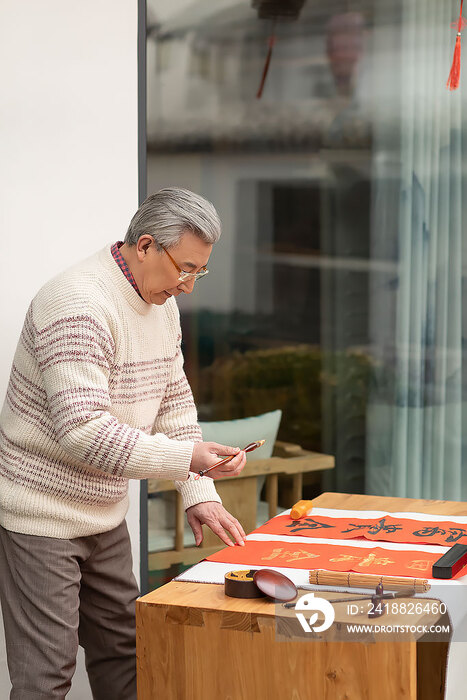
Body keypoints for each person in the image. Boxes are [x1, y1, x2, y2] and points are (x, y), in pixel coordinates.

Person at [0, 187, 247, 699]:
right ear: (146, 246)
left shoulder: (161, 303)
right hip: (41, 516)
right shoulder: (77, 303)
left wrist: (198, 491)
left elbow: (174, 402)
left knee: (127, 658)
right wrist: (187, 458)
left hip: (105, 515)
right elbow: (83, 431)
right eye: (185, 268)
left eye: (200, 271)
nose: (190, 286)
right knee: (46, 677)